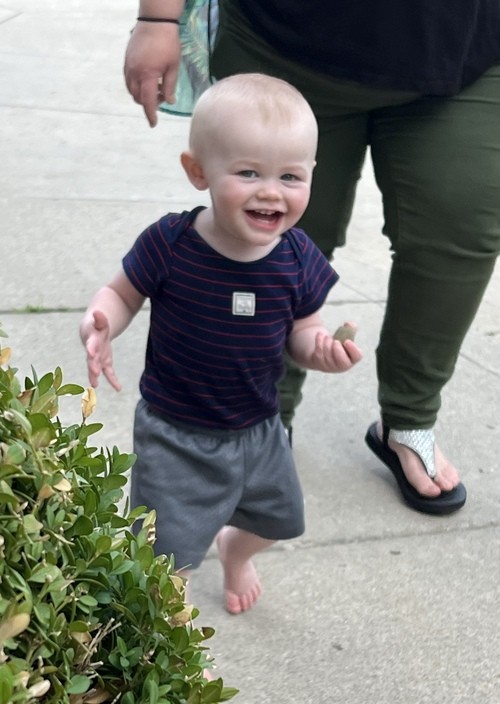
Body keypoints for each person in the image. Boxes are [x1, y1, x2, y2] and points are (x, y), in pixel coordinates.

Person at [123, 0, 500, 516]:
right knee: (264, 240)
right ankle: (259, 424)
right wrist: (157, 19)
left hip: (467, 47)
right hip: (287, 39)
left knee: (458, 226)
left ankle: (409, 419)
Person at [80, 73, 362, 615]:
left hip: (259, 429)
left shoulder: (298, 257)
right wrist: (101, 323)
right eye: (248, 172)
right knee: (164, 555)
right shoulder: (170, 243)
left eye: (290, 176)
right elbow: (120, 294)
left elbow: (303, 332)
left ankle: (236, 550)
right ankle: (164, 618)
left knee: (278, 521)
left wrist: (322, 351)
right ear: (198, 172)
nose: (271, 191)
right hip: (175, 433)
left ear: (312, 175)